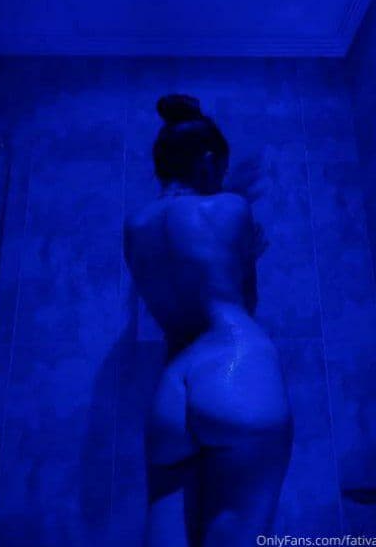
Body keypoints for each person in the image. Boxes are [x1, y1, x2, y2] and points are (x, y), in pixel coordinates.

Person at [124, 95, 292, 547]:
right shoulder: (232, 207)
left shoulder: (135, 225)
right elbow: (246, 300)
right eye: (220, 169)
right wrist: (249, 252)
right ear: (208, 160)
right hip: (232, 365)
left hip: (171, 386)